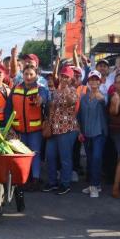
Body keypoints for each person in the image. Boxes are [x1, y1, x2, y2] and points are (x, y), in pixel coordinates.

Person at [10, 64, 49, 190]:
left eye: (31, 74)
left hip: (35, 131)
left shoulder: (40, 89)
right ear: (22, 74)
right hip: (18, 130)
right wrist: (9, 127)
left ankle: (36, 179)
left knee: (35, 154)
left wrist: (41, 99)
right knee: (21, 155)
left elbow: (44, 96)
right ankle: (23, 179)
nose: (28, 77)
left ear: (36, 75)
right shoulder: (15, 89)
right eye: (26, 74)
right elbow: (8, 110)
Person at [43, 66, 79, 195]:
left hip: (67, 129)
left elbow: (71, 102)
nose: (64, 78)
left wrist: (66, 90)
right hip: (53, 129)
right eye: (62, 76)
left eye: (67, 77)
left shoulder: (73, 90)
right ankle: (52, 182)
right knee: (50, 156)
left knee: (65, 158)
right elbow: (51, 109)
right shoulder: (56, 92)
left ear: (71, 79)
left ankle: (65, 183)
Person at [78, 70, 108, 198]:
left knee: (96, 158)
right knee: (90, 160)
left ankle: (94, 186)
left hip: (99, 133)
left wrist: (102, 98)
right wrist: (80, 131)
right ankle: (94, 184)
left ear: (100, 81)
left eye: (96, 79)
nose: (94, 81)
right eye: (91, 79)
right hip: (86, 134)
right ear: (88, 81)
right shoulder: (83, 98)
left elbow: (105, 103)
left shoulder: (103, 96)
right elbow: (79, 117)